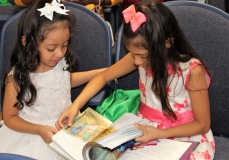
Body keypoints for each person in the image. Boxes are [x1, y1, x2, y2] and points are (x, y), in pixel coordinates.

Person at [56, 0, 215, 159]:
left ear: (166, 43)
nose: (137, 62)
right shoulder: (139, 56)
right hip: (145, 129)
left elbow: (202, 124)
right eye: (133, 55)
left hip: (183, 134)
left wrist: (161, 133)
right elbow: (103, 77)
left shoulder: (192, 72)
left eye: (142, 56)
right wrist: (76, 105)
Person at [0, 0, 105, 159]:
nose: (59, 53)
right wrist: (39, 129)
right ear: (27, 43)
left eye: (64, 45)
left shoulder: (58, 62)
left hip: (69, 130)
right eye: (51, 48)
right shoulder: (18, 78)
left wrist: (100, 73)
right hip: (34, 135)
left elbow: (65, 81)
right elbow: (10, 118)